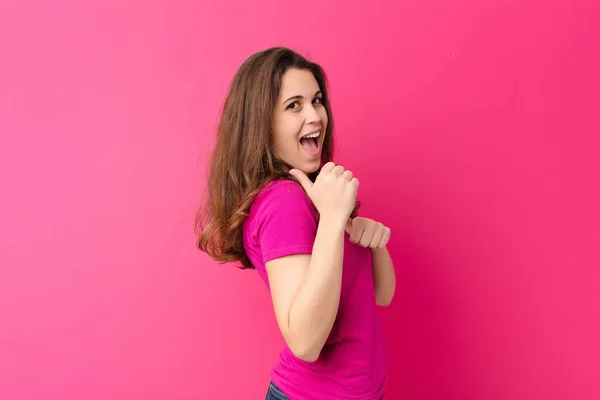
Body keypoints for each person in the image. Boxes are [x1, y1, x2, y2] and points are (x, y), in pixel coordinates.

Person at [196, 47, 396, 400]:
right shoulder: (282, 201)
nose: (315, 116)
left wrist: (373, 242)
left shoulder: (315, 195)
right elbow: (305, 342)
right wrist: (335, 220)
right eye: (294, 105)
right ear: (262, 123)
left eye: (317, 100)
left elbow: (382, 295)